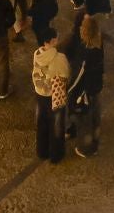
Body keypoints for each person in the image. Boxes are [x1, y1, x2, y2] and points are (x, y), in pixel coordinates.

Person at [69, 15, 105, 158]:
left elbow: (79, 76)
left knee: (85, 121)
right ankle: (96, 140)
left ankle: (86, 148)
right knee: (96, 113)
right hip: (96, 86)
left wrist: (69, 90)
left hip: (85, 90)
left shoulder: (86, 51)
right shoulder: (99, 44)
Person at [31, 31, 70, 163]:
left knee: (42, 123)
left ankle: (42, 151)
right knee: (56, 125)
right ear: (52, 41)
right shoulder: (59, 58)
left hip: (39, 93)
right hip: (53, 96)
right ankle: (56, 154)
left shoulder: (37, 54)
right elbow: (65, 75)